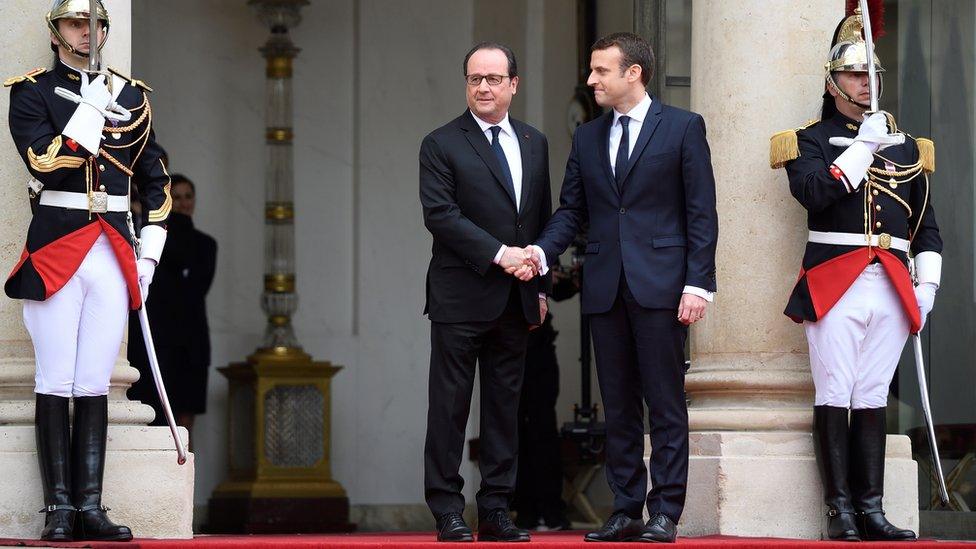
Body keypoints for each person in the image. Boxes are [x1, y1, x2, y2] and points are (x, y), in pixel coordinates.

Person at [514, 32, 718, 543]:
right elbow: (572, 211)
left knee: (665, 402)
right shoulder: (587, 137)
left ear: (634, 73)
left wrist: (699, 284)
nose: (590, 80)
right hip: (605, 287)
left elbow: (701, 214)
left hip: (664, 287)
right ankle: (625, 509)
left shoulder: (683, 128)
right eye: (591, 69)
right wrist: (542, 252)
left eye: (601, 70)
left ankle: (666, 510)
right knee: (619, 404)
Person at [770, 6, 940, 541]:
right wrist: (862, 147)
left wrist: (928, 283)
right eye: (854, 75)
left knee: (871, 394)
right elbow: (815, 195)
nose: (866, 84)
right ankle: (838, 511)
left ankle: (871, 509)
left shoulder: (909, 145)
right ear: (832, 80)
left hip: (893, 279)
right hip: (836, 276)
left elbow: (925, 225)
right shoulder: (810, 139)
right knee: (835, 390)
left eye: (872, 76)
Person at [4, 0, 171, 541]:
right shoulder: (30, 91)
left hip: (114, 248)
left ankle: (92, 506)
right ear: (56, 33)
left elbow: (156, 180)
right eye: (77, 24)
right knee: (55, 378)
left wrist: (149, 253)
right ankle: (59, 509)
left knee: (96, 380)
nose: (88, 33)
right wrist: (90, 111)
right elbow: (43, 160)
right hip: (58, 245)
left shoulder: (133, 95)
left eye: (97, 24)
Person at [419, 42, 553, 542]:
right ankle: (447, 508)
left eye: (494, 79)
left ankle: (496, 509)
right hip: (460, 296)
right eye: (475, 78)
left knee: (504, 409)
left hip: (517, 298)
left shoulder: (535, 142)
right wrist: (502, 255)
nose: (483, 87)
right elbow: (441, 216)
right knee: (449, 408)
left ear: (513, 84)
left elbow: (540, 217)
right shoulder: (441, 142)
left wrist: (538, 282)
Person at [128, 174, 216, 438]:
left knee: (186, 416)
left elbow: (196, 288)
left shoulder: (206, 244)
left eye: (188, 196)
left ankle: (182, 476)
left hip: (191, 340)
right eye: (176, 197)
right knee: (155, 412)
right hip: (158, 337)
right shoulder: (153, 240)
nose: (183, 203)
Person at [513, 265, 577, 531]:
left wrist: (567, 278)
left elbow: (561, 291)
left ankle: (550, 508)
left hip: (539, 346)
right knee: (512, 427)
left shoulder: (542, 244)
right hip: (506, 342)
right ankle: (523, 509)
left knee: (544, 427)